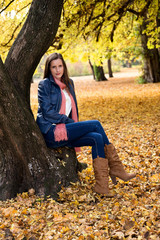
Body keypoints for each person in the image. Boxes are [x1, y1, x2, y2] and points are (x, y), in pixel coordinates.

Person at [36, 53, 136, 197]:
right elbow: (47, 113)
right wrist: (70, 123)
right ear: (49, 69)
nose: (57, 70)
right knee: (95, 124)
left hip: (67, 131)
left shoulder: (69, 83)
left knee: (96, 138)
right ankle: (116, 167)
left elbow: (73, 109)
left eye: (60, 66)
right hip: (51, 132)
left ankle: (102, 186)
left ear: (63, 66)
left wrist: (73, 125)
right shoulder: (44, 84)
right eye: (54, 67)